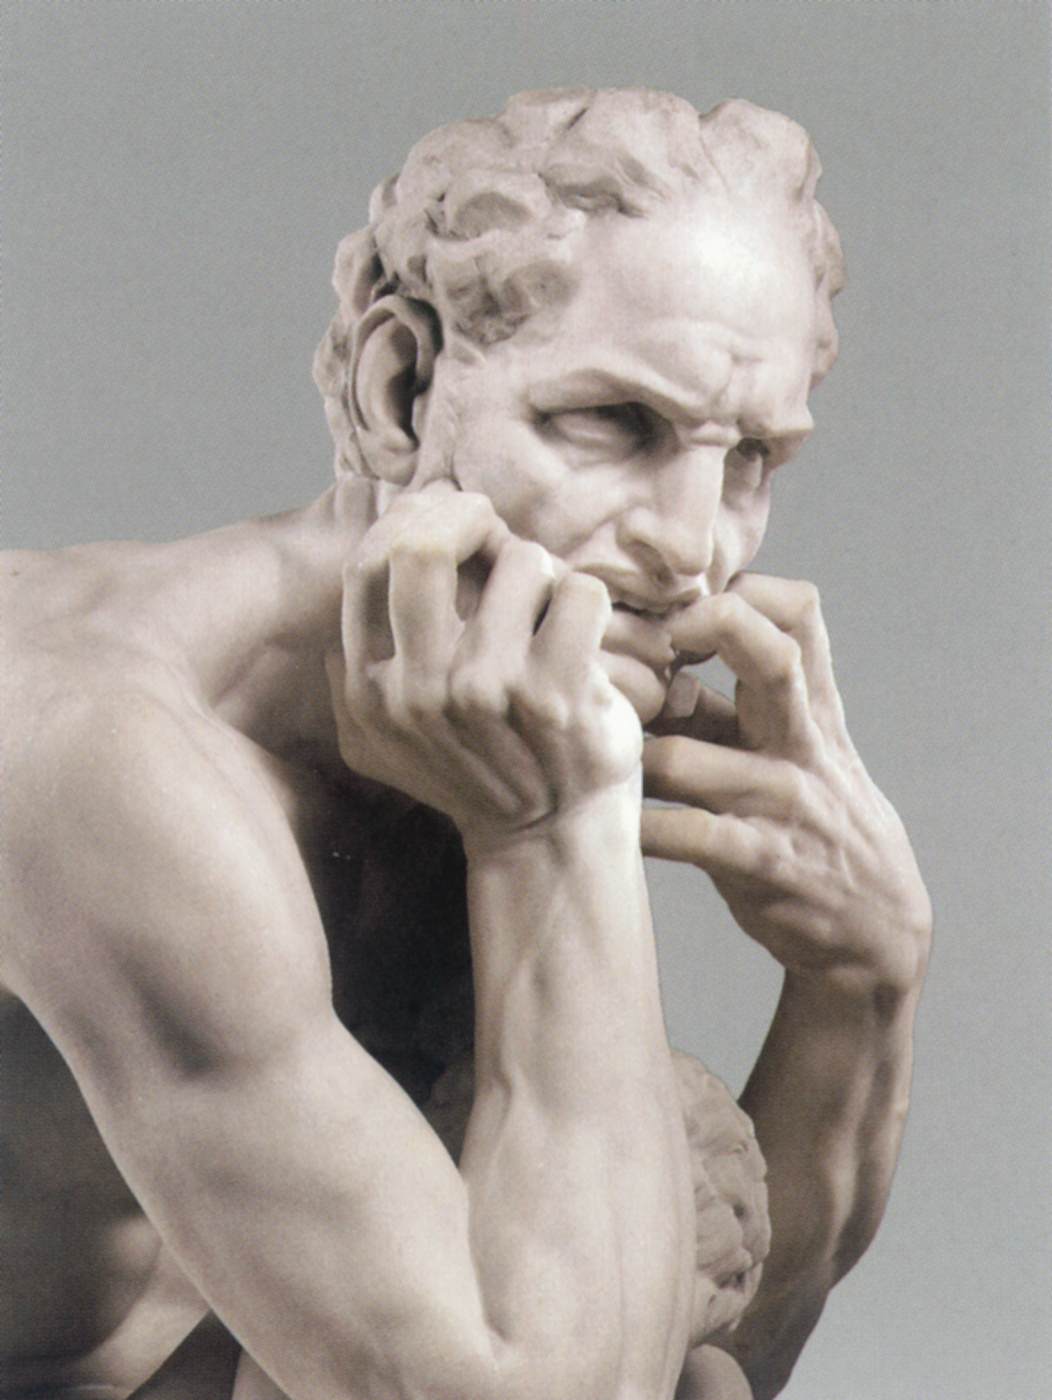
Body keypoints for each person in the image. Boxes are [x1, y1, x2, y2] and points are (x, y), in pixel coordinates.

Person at [0, 88, 931, 1400]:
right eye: (615, 424)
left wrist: (860, 991)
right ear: (400, 391)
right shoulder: (99, 751)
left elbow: (704, 1355)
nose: (693, 544)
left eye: (750, 461)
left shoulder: (487, 719)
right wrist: (556, 830)